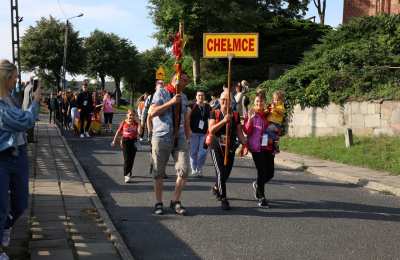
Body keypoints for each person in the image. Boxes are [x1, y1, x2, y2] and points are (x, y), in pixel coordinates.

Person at [0, 60, 41, 260]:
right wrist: (36, 101)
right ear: (6, 78)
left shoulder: (11, 97)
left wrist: (29, 100)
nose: (18, 80)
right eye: (15, 76)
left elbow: (22, 115)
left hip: (19, 152)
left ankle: (6, 226)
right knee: (0, 206)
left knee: (21, 202)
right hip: (3, 156)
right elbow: (24, 121)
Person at [149, 73, 191, 215]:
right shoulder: (161, 92)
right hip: (162, 136)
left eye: (187, 81)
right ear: (175, 79)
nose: (186, 83)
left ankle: (175, 201)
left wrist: (187, 134)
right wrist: (171, 102)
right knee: (159, 172)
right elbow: (152, 112)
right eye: (184, 80)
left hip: (179, 137)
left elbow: (185, 118)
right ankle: (158, 203)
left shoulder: (184, 97)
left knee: (184, 169)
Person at [208, 90, 246, 210]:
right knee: (220, 172)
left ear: (231, 102)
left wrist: (245, 143)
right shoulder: (215, 113)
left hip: (229, 147)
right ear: (219, 100)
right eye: (223, 99)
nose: (225, 102)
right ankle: (224, 199)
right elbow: (211, 130)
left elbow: (240, 132)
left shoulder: (235, 115)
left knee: (226, 173)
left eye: (227, 100)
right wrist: (224, 121)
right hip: (216, 146)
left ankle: (216, 187)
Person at [243, 92, 276, 208]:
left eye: (261, 101)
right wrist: (250, 120)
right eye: (257, 101)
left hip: (268, 146)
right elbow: (247, 131)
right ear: (254, 103)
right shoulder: (251, 114)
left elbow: (275, 128)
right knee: (261, 172)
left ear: (264, 103)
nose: (259, 103)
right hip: (256, 147)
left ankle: (257, 184)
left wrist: (275, 136)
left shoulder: (269, 114)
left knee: (270, 173)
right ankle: (262, 198)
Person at [111, 109, 140, 183]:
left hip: (134, 141)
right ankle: (126, 175)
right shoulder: (124, 122)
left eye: (133, 115)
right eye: (130, 115)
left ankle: (129, 171)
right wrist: (114, 140)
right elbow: (118, 131)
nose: (131, 116)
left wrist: (140, 124)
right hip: (125, 141)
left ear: (135, 116)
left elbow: (139, 132)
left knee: (132, 158)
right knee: (127, 158)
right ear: (127, 115)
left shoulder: (136, 123)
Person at [189, 90, 211, 177]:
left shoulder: (207, 107)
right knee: (193, 152)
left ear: (204, 97)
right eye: (199, 95)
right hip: (193, 132)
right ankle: (194, 169)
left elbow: (210, 119)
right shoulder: (192, 106)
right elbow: (187, 118)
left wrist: (209, 132)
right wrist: (188, 130)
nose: (200, 97)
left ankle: (199, 167)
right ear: (196, 97)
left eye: (202, 95)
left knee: (203, 152)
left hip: (204, 133)